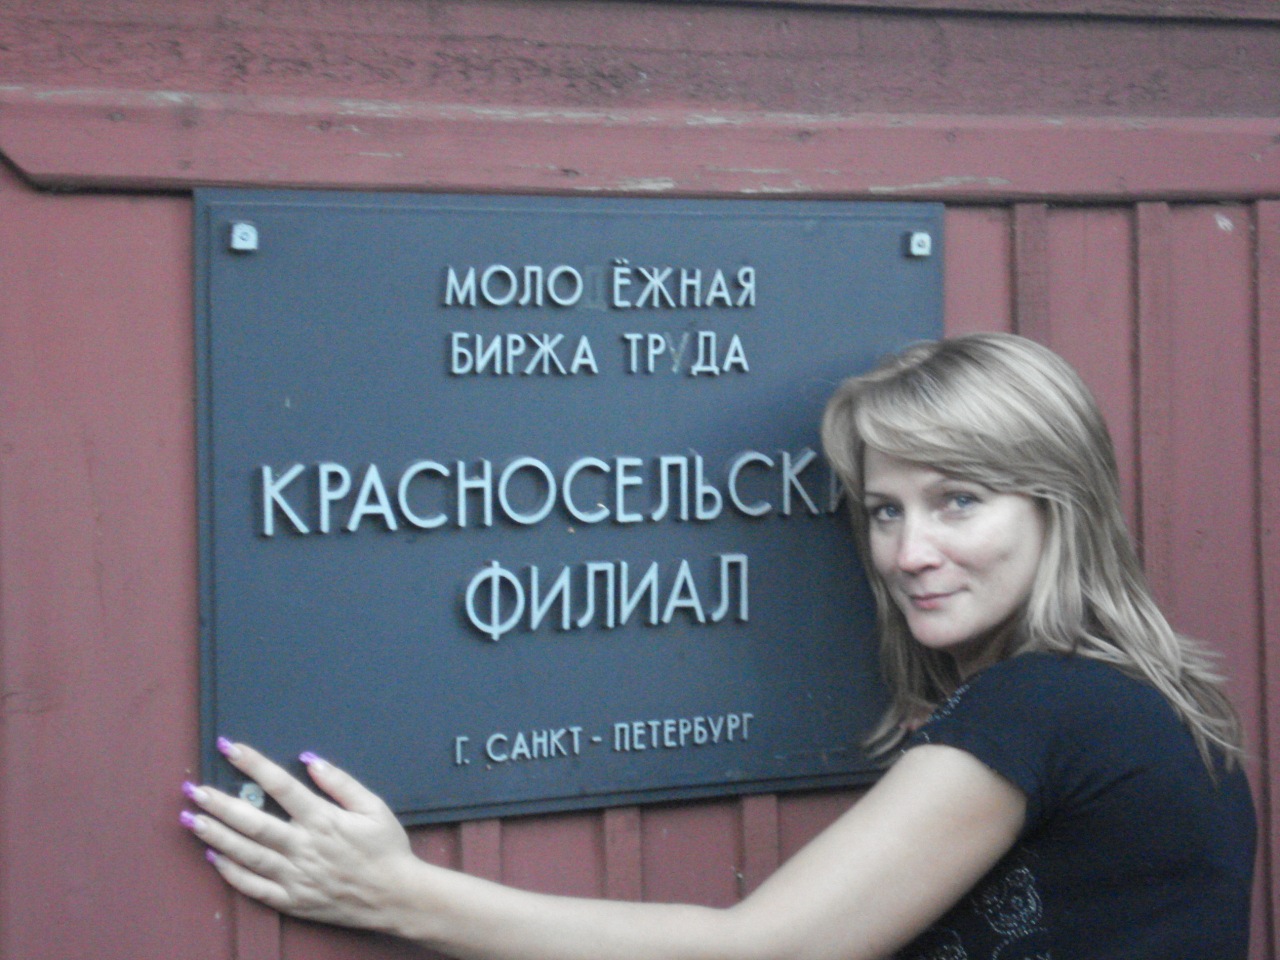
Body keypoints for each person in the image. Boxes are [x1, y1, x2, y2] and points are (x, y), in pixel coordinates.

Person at [180, 332, 1256, 960]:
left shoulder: (1044, 707)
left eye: (958, 501)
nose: (907, 551)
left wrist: (397, 893)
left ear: (1060, 505)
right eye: (883, 510)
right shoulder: (1135, 696)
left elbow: (765, 952)